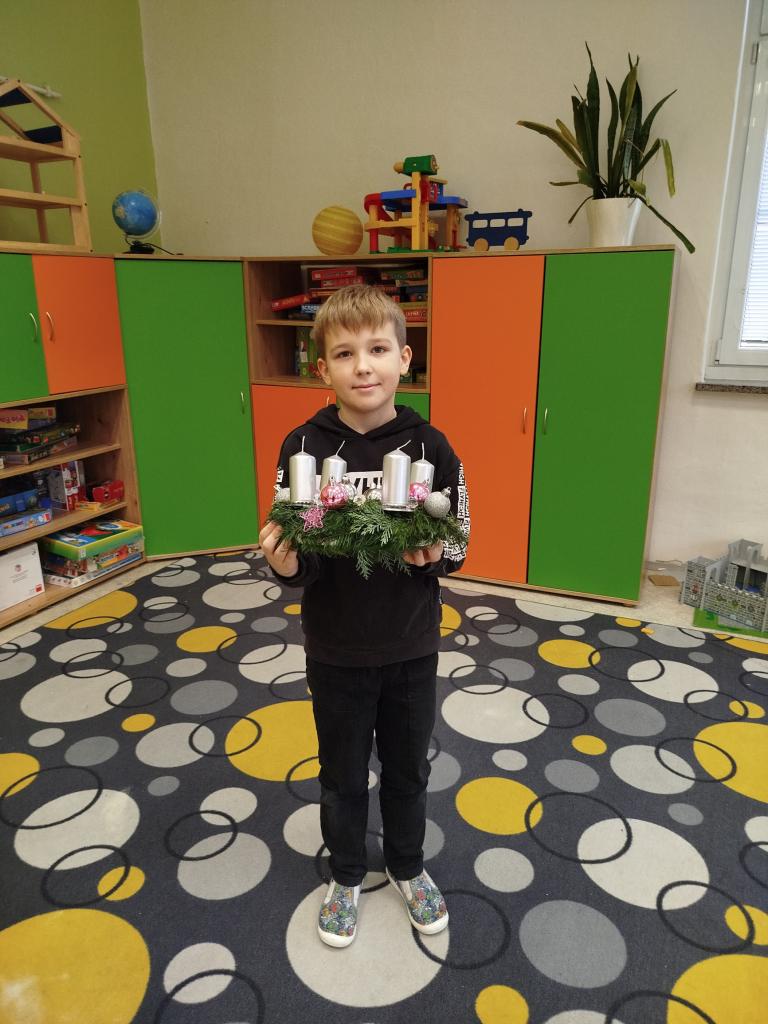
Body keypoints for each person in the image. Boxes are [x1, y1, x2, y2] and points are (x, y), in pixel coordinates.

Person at [258, 284, 470, 948]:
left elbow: (458, 540)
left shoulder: (432, 447)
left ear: (404, 358)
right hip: (336, 648)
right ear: (323, 368)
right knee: (342, 774)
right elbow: (296, 547)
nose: (363, 366)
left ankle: (407, 865)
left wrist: (434, 555)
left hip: (411, 647)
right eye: (345, 354)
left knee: (408, 770)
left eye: (378, 349)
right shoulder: (303, 445)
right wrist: (285, 565)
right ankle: (347, 874)